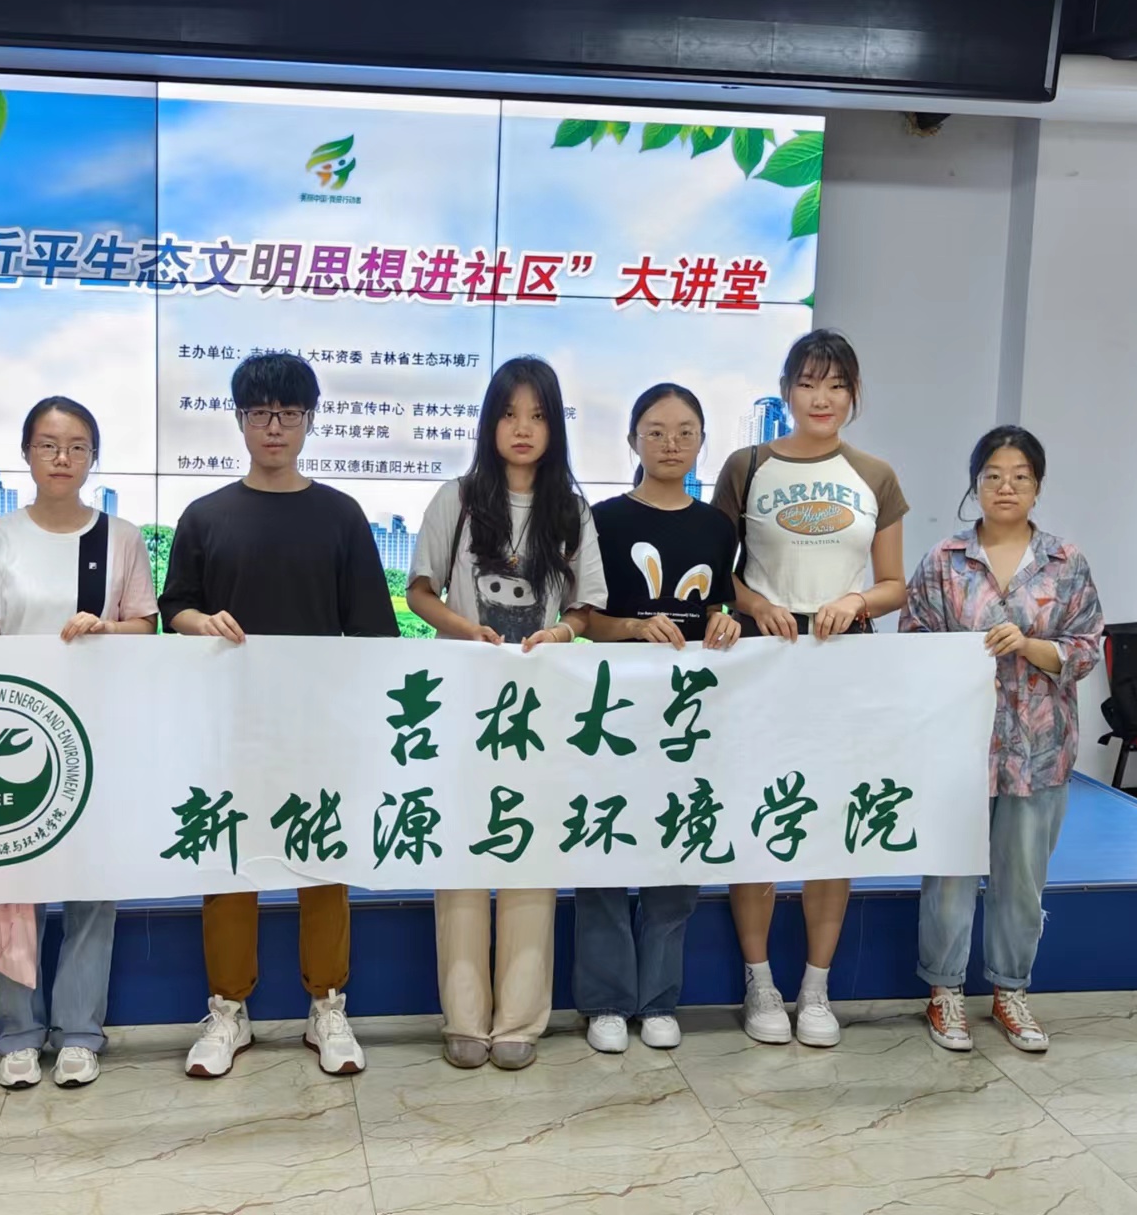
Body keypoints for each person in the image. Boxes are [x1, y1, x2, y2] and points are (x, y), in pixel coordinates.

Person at [158, 351, 398, 1079]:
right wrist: (199, 622)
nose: (274, 427)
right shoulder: (205, 516)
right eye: (260, 413)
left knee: (323, 864)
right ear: (239, 419)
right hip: (230, 727)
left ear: (309, 421)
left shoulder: (341, 516)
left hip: (319, 729)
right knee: (231, 865)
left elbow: (373, 632)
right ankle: (228, 1010)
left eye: (288, 413)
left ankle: (327, 1006)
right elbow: (175, 607)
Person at [0, 396, 157, 1091]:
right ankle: (18, 1033)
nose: (63, 458)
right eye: (49, 445)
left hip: (98, 731)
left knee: (93, 888)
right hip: (12, 738)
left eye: (77, 446)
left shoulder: (120, 538)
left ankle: (81, 1030)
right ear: (26, 453)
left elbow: (145, 629)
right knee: (12, 886)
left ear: (94, 458)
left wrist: (105, 630)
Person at [407, 356, 607, 1071]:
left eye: (539, 416)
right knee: (462, 852)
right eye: (509, 414)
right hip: (464, 704)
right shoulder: (456, 499)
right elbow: (420, 592)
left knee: (532, 852)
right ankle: (463, 1016)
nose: (523, 429)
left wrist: (563, 633)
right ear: (489, 423)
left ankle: (520, 1017)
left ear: (555, 428)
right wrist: (466, 630)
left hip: (541, 709)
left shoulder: (571, 510)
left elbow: (586, 609)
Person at [711, 329, 909, 1048]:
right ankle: (760, 981)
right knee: (758, 821)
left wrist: (856, 602)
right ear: (786, 390)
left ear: (853, 395)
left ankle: (816, 988)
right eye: (807, 382)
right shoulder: (748, 466)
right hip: (762, 662)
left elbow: (893, 585)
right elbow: (716, 568)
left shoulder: (875, 476)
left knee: (832, 828)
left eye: (836, 385)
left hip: (843, 667)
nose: (821, 398)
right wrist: (753, 603)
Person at [904, 426, 1103, 1055]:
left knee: (1022, 879)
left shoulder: (1065, 561)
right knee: (950, 874)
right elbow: (913, 640)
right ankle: (944, 993)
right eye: (992, 475)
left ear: (1037, 485)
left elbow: (1086, 648)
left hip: (1038, 751)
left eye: (1020, 476)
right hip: (959, 748)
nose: (1006, 487)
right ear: (975, 484)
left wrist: (1030, 644)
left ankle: (1011, 991)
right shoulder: (943, 561)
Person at [576, 384, 742, 1054]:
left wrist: (727, 622)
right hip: (612, 708)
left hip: (688, 715)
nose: (670, 444)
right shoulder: (602, 520)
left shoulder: (717, 527)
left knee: (678, 843)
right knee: (604, 843)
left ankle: (659, 999)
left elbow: (720, 607)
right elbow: (583, 619)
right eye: (655, 431)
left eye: (684, 432)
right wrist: (632, 628)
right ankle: (606, 1001)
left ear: (702, 441)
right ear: (632, 441)